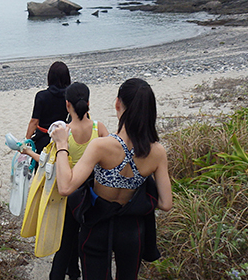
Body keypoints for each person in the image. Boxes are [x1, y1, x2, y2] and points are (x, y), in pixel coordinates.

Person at [51, 78, 173, 280]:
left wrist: (62, 145)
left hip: (97, 225)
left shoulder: (101, 146)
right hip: (131, 229)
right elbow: (165, 203)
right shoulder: (157, 152)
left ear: (117, 104)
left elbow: (65, 187)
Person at [22, 82, 109, 280]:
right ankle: (78, 272)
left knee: (64, 244)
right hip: (95, 196)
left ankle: (64, 275)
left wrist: (28, 151)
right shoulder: (99, 128)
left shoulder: (63, 133)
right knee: (88, 244)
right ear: (88, 103)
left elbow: (47, 164)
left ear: (67, 104)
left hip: (70, 196)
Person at [26, 61, 71, 155]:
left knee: (41, 165)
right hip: (62, 136)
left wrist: (27, 140)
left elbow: (34, 121)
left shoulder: (41, 96)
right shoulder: (69, 96)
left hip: (43, 137)